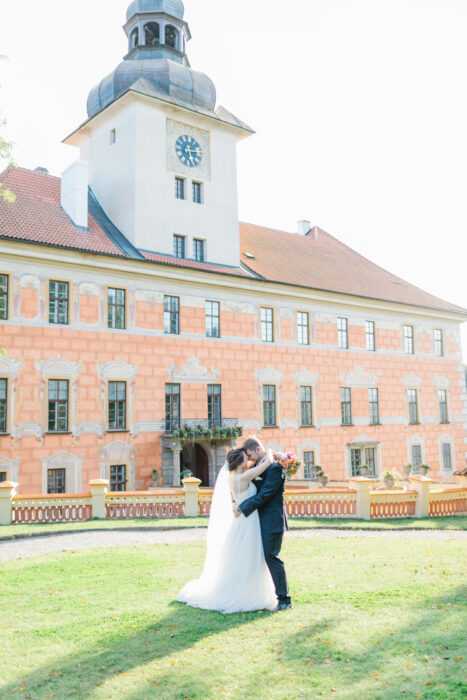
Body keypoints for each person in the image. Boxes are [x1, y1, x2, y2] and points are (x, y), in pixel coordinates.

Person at [176, 447, 278, 614]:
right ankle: (248, 594)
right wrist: (269, 450)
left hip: (239, 520)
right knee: (250, 557)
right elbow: (268, 462)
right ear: (239, 462)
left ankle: (241, 590)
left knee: (241, 559)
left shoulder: (231, 478)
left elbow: (233, 504)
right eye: (246, 458)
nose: (249, 461)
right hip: (248, 522)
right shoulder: (245, 476)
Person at [233, 437, 292, 612]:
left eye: (250, 455)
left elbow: (265, 495)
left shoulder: (274, 468)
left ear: (259, 449)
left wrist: (242, 508)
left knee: (271, 557)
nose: (250, 460)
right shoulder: (259, 466)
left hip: (272, 521)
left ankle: (284, 599)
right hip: (257, 522)